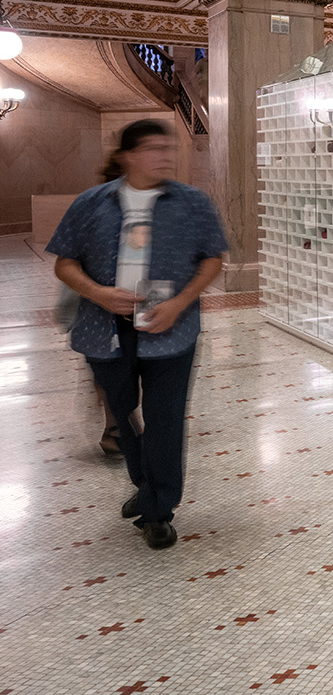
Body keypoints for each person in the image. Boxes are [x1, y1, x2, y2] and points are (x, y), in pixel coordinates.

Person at [47, 120, 228, 550]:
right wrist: (99, 294)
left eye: (169, 147)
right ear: (127, 156)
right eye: (152, 148)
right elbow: (64, 262)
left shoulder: (192, 202)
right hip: (105, 328)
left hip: (171, 327)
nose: (164, 155)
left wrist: (178, 304)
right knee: (124, 417)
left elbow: (212, 260)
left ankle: (159, 510)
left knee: (165, 420)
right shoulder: (91, 203)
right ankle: (146, 484)